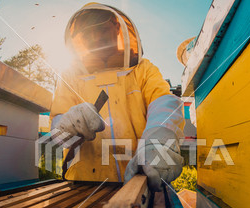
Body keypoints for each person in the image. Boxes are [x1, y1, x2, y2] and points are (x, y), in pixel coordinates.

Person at [50, 2, 183, 191]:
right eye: (89, 34)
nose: (96, 39)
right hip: (82, 186)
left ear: (116, 26)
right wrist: (67, 124)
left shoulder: (142, 70)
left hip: (142, 182)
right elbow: (57, 129)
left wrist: (159, 140)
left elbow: (163, 104)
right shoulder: (70, 76)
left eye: (102, 30)